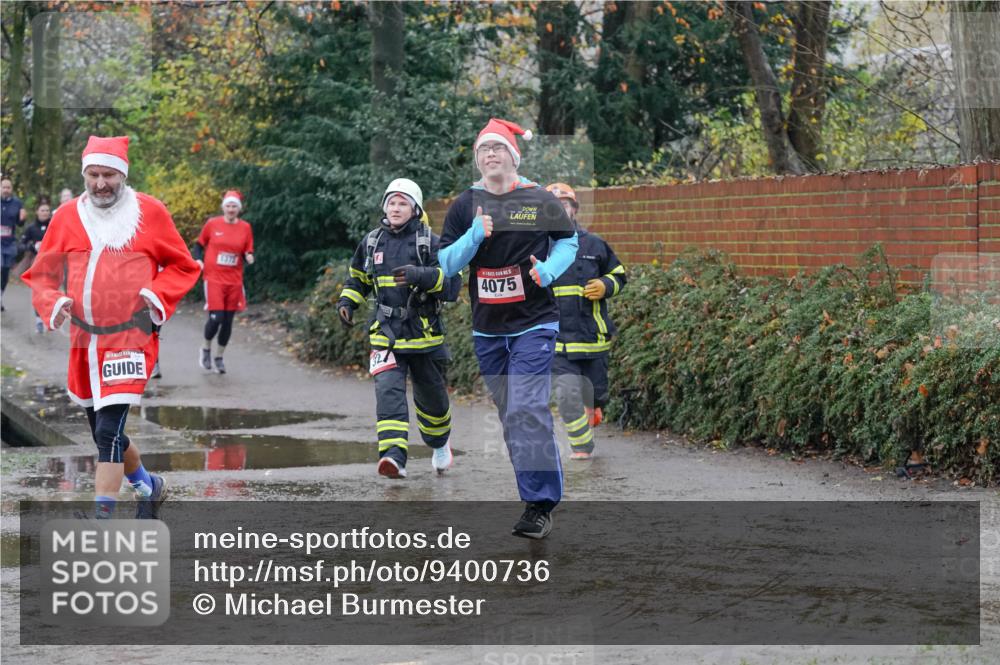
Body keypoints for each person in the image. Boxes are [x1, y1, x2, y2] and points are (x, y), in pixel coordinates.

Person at [21, 136, 201, 519]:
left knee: (107, 433)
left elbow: (185, 266)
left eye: (109, 175)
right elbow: (42, 276)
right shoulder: (67, 216)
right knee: (107, 432)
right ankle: (148, 487)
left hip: (132, 338)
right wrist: (53, 302)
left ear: (123, 175)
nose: (101, 183)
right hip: (84, 341)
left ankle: (102, 520)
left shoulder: (149, 213)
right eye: (94, 174)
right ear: (84, 174)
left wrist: (155, 297)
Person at [438, 118, 578, 539]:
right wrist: (474, 238)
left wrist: (549, 271)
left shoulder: (537, 199)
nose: (490, 156)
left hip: (535, 323)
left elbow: (568, 241)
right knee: (511, 415)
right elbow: (446, 263)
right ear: (477, 160)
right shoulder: (466, 204)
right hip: (488, 330)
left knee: (526, 407)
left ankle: (540, 504)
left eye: (498, 149)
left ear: (513, 156)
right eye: (483, 151)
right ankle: (535, 494)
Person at [338, 178, 461, 479]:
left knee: (433, 401)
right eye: (391, 202)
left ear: (415, 208)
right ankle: (394, 458)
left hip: (425, 336)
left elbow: (452, 286)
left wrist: (422, 275)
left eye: (402, 203)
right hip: (385, 335)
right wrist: (347, 301)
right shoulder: (371, 242)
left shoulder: (430, 242)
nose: (395, 208)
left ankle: (440, 444)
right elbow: (359, 279)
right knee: (388, 395)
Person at [545, 183, 627, 461]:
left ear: (574, 209)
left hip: (592, 338)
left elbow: (619, 275)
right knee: (567, 395)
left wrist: (606, 285)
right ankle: (582, 447)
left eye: (564, 205)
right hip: (557, 343)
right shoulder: (535, 248)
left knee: (597, 394)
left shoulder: (594, 244)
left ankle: (596, 407)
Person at [192, 190, 254, 374]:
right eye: (228, 205)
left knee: (227, 322)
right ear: (223, 207)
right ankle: (205, 348)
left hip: (234, 280)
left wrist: (249, 256)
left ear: (239, 209)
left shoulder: (245, 227)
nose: (231, 209)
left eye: (234, 206)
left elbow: (247, 250)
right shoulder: (213, 224)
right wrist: (198, 259)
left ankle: (219, 357)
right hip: (214, 278)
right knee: (216, 317)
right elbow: (198, 245)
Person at [19, 199, 53, 333]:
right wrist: (32, 246)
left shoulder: (54, 226)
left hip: (53, 264)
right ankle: (39, 319)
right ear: (37, 212)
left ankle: (49, 317)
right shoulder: (31, 228)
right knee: (38, 292)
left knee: (49, 292)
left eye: (47, 210)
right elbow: (21, 245)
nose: (45, 213)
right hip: (36, 264)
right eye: (42, 210)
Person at [1, 176, 27, 311]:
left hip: (9, 242)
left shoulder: (17, 203)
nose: (6, 190)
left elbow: (19, 223)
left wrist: (22, 218)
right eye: (3, 187)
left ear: (11, 189)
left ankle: (0, 297)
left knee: (5, 270)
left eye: (8, 187)